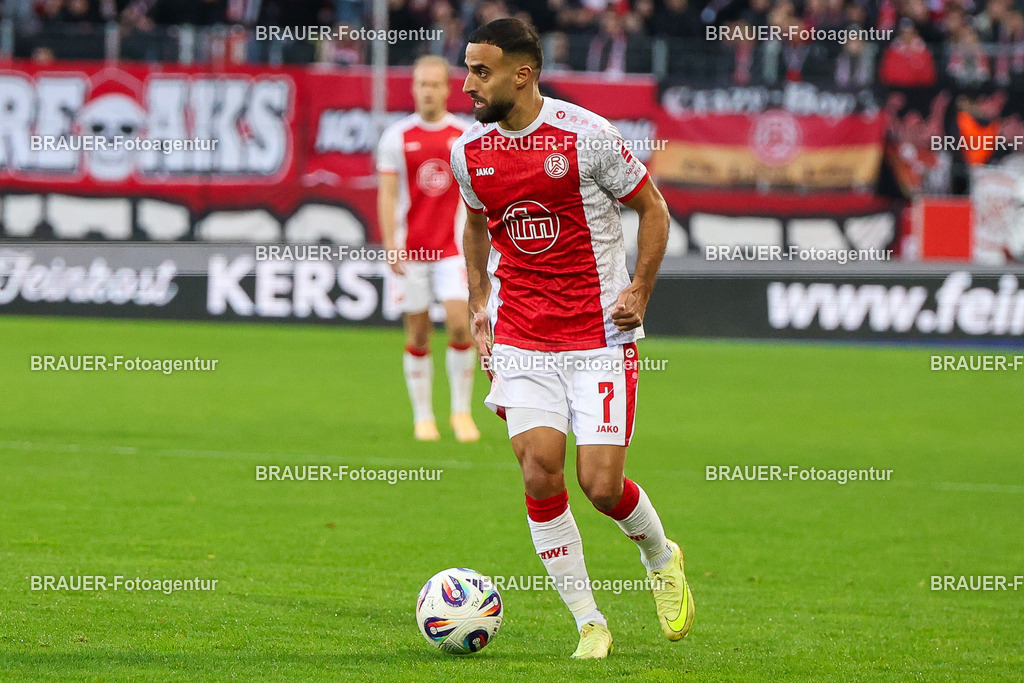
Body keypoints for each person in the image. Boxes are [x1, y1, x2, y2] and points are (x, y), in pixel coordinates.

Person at [450, 18, 693, 659]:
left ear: (521, 74)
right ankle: (589, 621)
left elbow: (654, 209)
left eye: (481, 71)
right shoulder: (468, 152)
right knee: (539, 474)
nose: (468, 84)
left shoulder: (586, 136)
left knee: (601, 485)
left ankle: (661, 555)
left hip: (598, 339)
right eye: (468, 69)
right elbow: (476, 227)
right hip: (524, 340)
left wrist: (639, 290)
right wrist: (480, 303)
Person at [377, 55, 480, 443]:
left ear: (448, 89)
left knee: (459, 325)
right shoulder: (396, 137)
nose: (428, 90)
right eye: (422, 83)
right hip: (412, 252)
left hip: (452, 251)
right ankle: (423, 417)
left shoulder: (465, 135)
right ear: (413, 87)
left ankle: (461, 413)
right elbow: (387, 196)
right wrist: (391, 244)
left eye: (435, 84)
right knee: (418, 333)